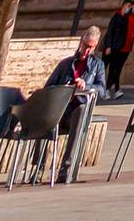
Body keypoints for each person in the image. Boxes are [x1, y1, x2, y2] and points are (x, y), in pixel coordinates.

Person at [46, 25, 109, 182]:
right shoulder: (66, 64)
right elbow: (49, 86)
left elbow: (102, 90)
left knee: (81, 112)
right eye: (86, 46)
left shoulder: (97, 65)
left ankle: (66, 169)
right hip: (60, 109)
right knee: (44, 117)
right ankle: (37, 167)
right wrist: (63, 88)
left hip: (77, 110)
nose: (87, 51)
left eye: (91, 48)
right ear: (81, 42)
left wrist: (86, 86)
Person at [101, 0, 134, 97]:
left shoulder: (126, 19)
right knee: (104, 68)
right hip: (110, 48)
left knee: (114, 69)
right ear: (124, 6)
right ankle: (104, 88)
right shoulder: (116, 17)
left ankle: (111, 89)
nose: (130, 8)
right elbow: (110, 32)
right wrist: (108, 46)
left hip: (118, 49)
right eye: (129, 6)